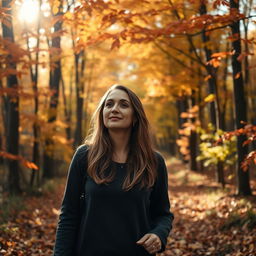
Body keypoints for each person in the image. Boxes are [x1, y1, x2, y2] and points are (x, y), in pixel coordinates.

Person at [53, 84, 174, 256]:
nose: (114, 109)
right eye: (109, 104)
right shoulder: (84, 156)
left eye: (123, 105)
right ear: (102, 114)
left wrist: (158, 234)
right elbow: (68, 215)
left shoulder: (154, 162)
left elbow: (163, 214)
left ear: (135, 117)